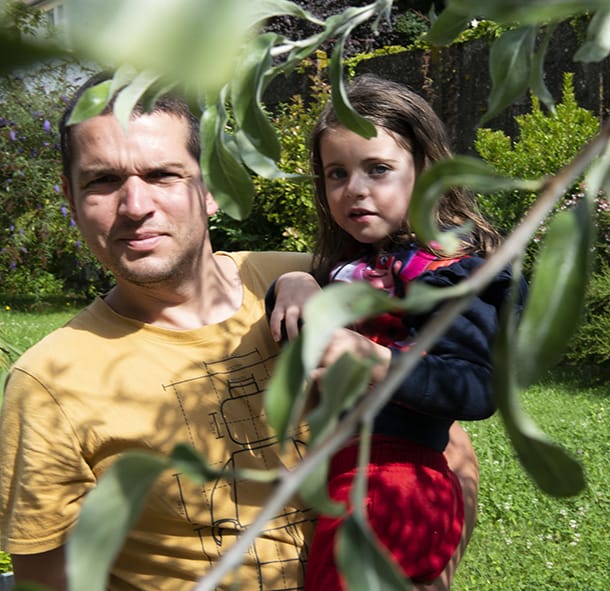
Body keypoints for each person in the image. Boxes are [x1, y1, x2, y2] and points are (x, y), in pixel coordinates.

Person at [0, 72, 478, 591]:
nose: (135, 206)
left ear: (209, 188)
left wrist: (427, 576)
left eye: (162, 174)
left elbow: (448, 450)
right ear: (71, 200)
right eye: (103, 181)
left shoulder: (335, 286)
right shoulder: (48, 384)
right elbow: (49, 580)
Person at [266, 74, 525, 591]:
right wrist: (292, 282)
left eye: (378, 169)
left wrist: (376, 360)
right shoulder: (360, 267)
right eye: (336, 174)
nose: (354, 189)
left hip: (395, 486)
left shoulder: (448, 273)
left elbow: (475, 386)